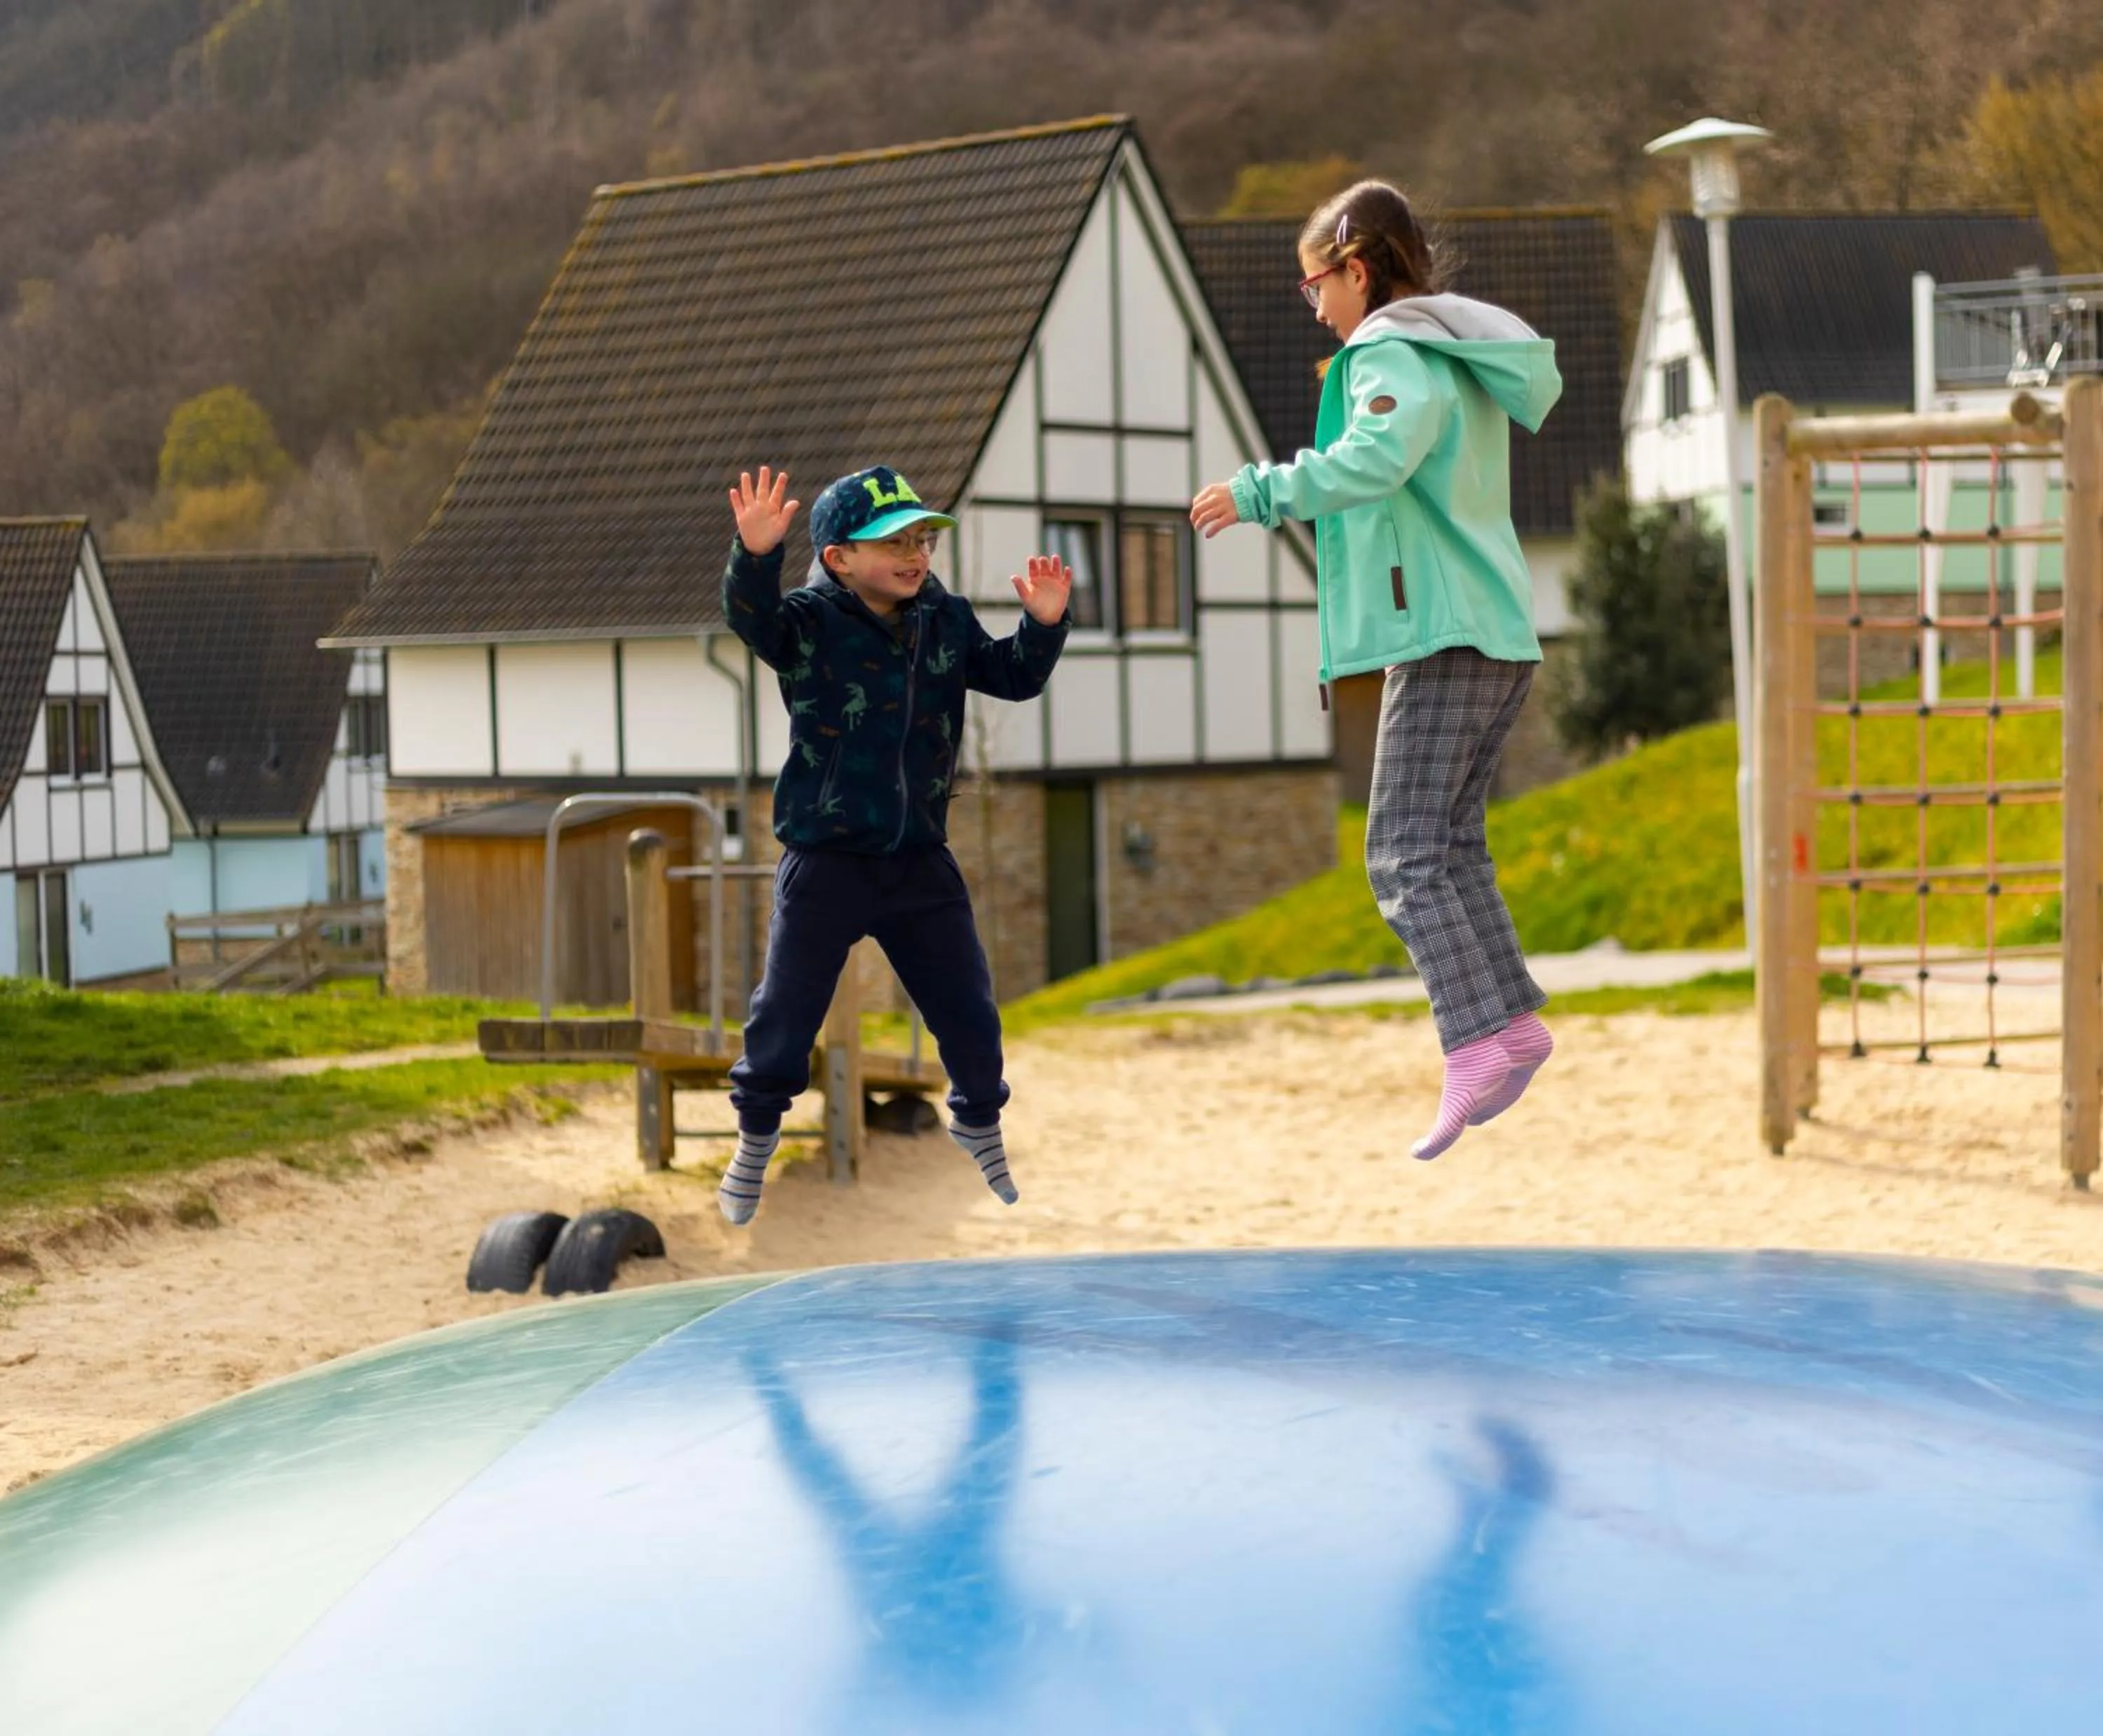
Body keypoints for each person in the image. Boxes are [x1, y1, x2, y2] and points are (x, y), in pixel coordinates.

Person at [1191, 181, 1563, 1161]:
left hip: (1442, 632)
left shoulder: (1391, 349)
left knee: (1397, 853)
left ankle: (1474, 1040)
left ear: (1357, 270)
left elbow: (1372, 461)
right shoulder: (1451, 351)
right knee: (1450, 847)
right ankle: (1511, 1020)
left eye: (1314, 283)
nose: (1312, 304)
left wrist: (1260, 490)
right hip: (1491, 631)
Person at [717, 463, 1070, 1223]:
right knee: (784, 1014)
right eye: (891, 544)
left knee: (971, 1011)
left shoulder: (946, 620)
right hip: (827, 857)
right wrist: (754, 557)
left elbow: (1010, 677)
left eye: (921, 540)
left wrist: (1042, 627)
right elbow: (753, 621)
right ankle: (755, 1139)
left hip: (918, 860)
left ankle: (978, 1119)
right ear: (840, 558)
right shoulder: (809, 623)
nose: (914, 555)